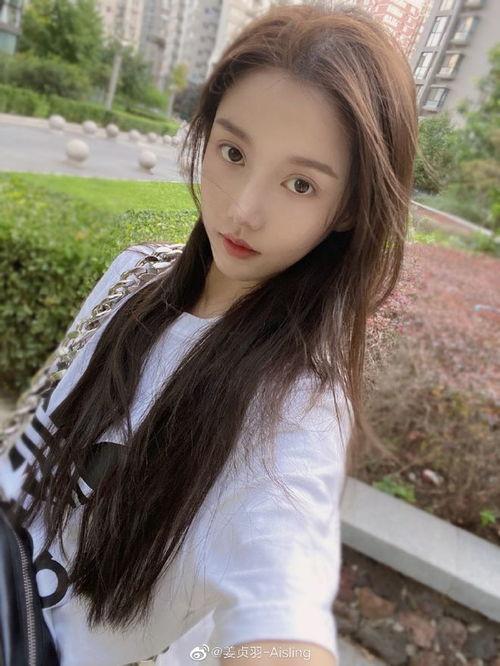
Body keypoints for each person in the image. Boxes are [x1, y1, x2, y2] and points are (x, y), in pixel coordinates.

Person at [0, 2, 418, 664]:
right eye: (233, 152)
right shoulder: (136, 274)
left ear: (348, 211)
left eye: (300, 184)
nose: (243, 209)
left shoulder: (296, 409)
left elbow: (282, 602)